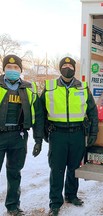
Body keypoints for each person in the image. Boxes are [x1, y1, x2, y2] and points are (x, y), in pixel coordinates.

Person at [40, 57, 98, 216]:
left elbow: (92, 112)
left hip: (78, 134)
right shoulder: (49, 87)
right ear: (60, 68)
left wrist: (93, 132)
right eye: (64, 65)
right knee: (57, 169)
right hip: (57, 134)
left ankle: (71, 195)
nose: (67, 68)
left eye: (70, 65)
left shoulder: (83, 87)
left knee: (74, 168)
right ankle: (55, 203)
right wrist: (43, 134)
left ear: (74, 68)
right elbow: (41, 113)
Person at [0, 55, 44, 216]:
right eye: (9, 67)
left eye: (16, 68)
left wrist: (38, 140)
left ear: (20, 70)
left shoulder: (29, 89)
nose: (12, 70)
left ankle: (13, 206)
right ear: (4, 69)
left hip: (18, 137)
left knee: (14, 173)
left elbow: (38, 116)